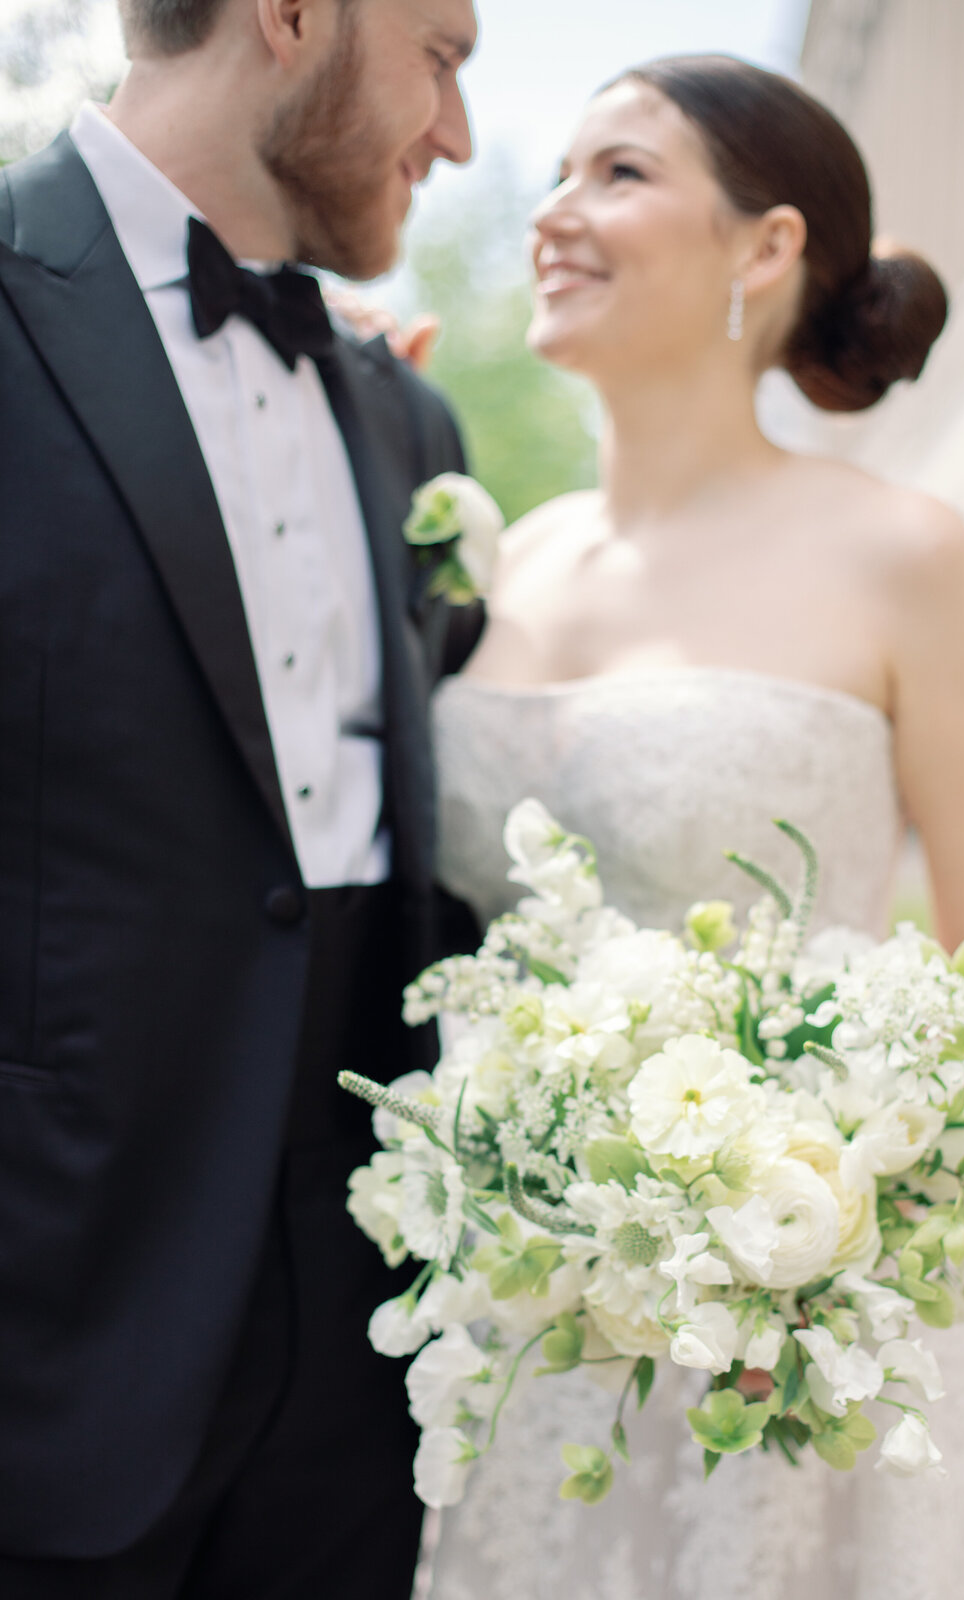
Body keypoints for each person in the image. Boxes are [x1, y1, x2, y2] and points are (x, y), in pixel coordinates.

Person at [420, 56, 964, 1600]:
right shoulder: (509, 563)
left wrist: (807, 1226)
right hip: (522, 1318)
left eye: (620, 175)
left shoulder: (906, 558)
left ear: (766, 247)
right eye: (558, 175)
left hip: (793, 1331)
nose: (553, 215)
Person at [0, 0, 479, 1595]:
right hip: (49, 1354)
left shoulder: (411, 422)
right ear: (290, 16)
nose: (460, 132)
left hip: (361, 1368)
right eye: (444, 54)